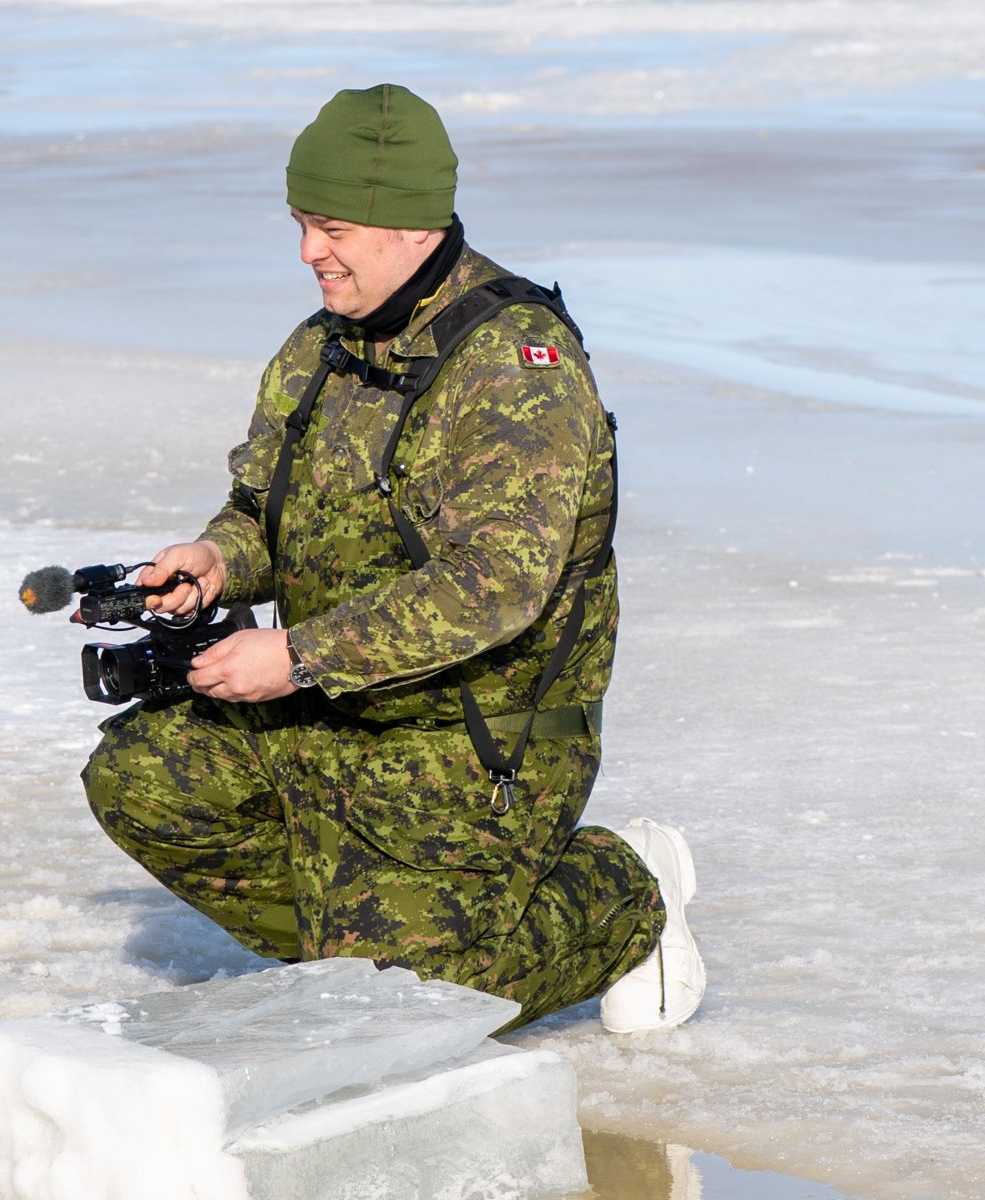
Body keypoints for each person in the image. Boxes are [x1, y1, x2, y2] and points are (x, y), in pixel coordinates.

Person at [82, 84, 705, 1033]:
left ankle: (621, 894)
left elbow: (499, 584)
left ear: (408, 225)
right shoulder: (319, 349)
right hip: (330, 711)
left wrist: (294, 657)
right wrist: (215, 559)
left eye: (330, 227)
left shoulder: (511, 363)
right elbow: (267, 508)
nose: (307, 253)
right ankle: (359, 950)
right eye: (299, 224)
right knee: (143, 777)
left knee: (417, 1005)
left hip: (470, 740)